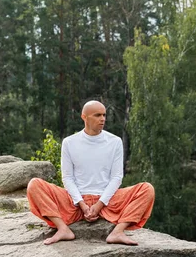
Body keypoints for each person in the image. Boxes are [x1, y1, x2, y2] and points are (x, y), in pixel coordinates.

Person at [27, 100, 155, 246]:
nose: (103, 119)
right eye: (97, 115)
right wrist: (81, 204)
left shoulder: (115, 142)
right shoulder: (69, 142)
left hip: (108, 201)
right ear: (84, 117)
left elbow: (117, 177)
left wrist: (99, 204)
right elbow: (68, 178)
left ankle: (118, 231)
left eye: (104, 115)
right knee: (34, 185)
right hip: (74, 202)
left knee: (147, 189)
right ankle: (63, 229)